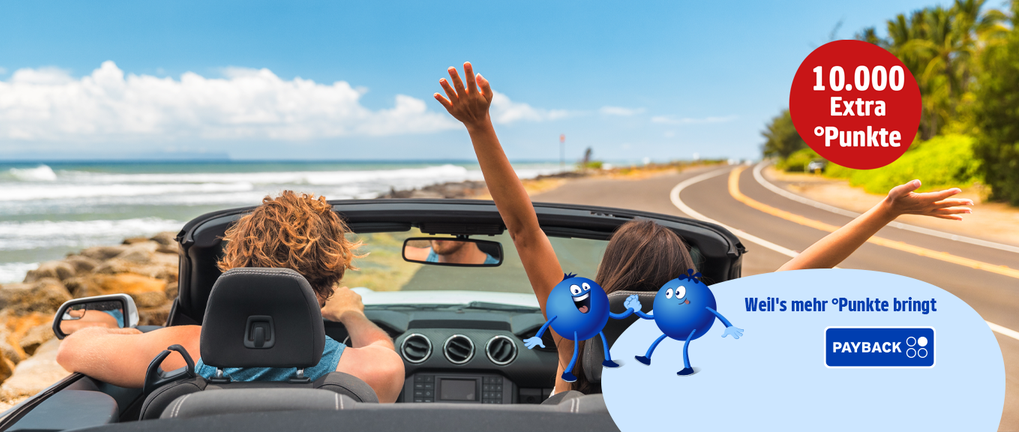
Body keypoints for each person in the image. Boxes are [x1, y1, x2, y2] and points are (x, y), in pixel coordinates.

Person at [432, 62, 973, 394]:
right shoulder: (708, 337)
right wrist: (886, 211)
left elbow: (523, 230)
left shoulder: (577, 331)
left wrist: (479, 127)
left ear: (607, 274)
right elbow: (805, 270)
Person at [55, 191, 406, 402]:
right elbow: (381, 350)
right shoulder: (374, 371)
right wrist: (352, 315)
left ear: (237, 266)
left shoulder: (182, 351)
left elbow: (71, 349)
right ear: (329, 285)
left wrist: (129, 334)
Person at [403, 238, 498, 265]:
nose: (438, 231)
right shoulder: (408, 256)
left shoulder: (497, 272)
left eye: (451, 224)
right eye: (430, 224)